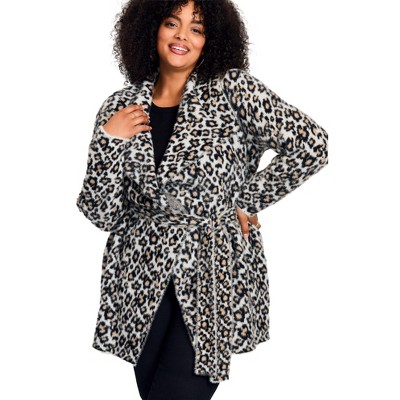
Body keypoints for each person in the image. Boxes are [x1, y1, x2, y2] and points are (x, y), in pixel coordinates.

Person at [76, 0, 328, 399]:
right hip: (140, 273)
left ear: (212, 39)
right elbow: (102, 213)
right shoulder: (120, 107)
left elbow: (312, 145)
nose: (182, 36)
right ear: (150, 29)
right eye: (171, 23)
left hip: (211, 269)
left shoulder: (233, 90)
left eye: (196, 28)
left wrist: (248, 199)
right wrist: (109, 141)